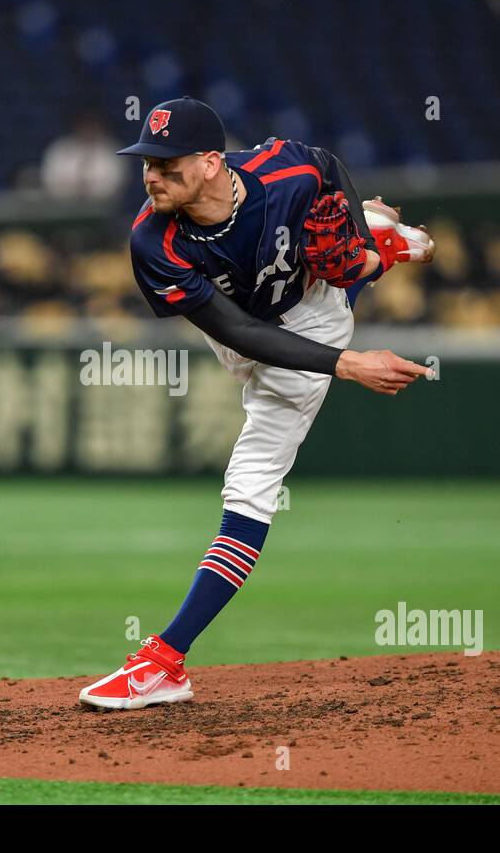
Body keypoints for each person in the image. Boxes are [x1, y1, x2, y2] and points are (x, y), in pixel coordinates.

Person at [79, 97, 435, 709]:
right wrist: (354, 364)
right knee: (332, 260)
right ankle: (380, 248)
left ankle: (165, 662)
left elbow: (326, 165)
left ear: (213, 162)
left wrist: (348, 228)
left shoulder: (281, 169)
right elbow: (238, 333)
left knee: (249, 487)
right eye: (147, 163)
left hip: (311, 325)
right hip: (241, 328)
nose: (152, 176)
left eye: (168, 164)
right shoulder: (151, 240)